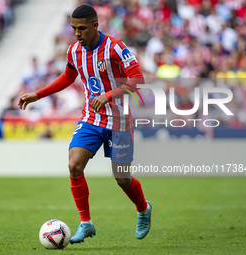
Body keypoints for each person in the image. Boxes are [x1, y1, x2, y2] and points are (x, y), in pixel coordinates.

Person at [18, 4, 152, 244]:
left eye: (81, 28)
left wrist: (109, 95)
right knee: (74, 165)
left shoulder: (115, 47)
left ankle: (143, 210)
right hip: (91, 118)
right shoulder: (74, 51)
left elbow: (138, 79)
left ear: (95, 26)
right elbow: (68, 77)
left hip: (119, 121)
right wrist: (37, 94)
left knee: (122, 178)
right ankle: (86, 224)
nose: (77, 33)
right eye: (73, 28)